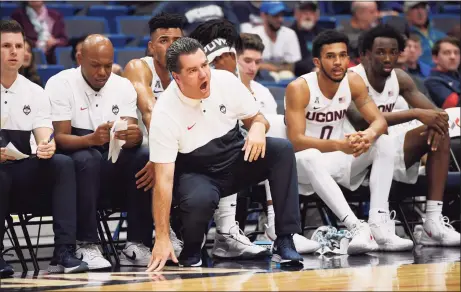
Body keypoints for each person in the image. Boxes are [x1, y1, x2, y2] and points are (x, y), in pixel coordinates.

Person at [147, 37, 304, 271]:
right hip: (197, 171)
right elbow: (163, 181)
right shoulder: (164, 113)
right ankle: (191, 247)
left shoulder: (224, 80)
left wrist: (259, 128)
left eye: (204, 65)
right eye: (193, 70)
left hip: (235, 156)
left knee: (281, 150)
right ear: (177, 77)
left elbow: (256, 118)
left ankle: (284, 238)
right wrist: (161, 237)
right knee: (198, 199)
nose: (203, 75)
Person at [285, 29, 413, 253]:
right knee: (310, 156)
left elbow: (379, 122)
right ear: (317, 61)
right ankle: (355, 226)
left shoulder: (353, 81)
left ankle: (379, 223)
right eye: (330, 56)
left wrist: (368, 136)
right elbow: (296, 141)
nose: (338, 62)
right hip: (303, 169)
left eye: (343, 55)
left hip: (339, 159)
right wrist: (339, 145)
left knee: (383, 141)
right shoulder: (299, 88)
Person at [46, 35, 155, 269]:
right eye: (95, 65)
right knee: (88, 158)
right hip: (76, 157)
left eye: (107, 65)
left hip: (111, 155)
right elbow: (60, 139)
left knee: (144, 156)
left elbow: (128, 131)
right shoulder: (60, 83)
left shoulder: (122, 85)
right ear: (79, 58)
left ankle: (137, 244)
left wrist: (134, 138)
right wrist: (90, 139)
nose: (103, 72)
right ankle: (87, 244)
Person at [348, 24, 460, 247]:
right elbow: (362, 120)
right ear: (365, 54)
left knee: (439, 129)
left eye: (393, 52)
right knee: (391, 138)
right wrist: (416, 113)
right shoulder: (352, 79)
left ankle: (432, 221)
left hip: (393, 149)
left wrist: (437, 123)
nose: (387, 58)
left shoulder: (401, 78)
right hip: (358, 154)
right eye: (380, 52)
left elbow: (438, 114)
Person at [0, 20, 87, 277]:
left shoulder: (34, 91)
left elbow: (44, 131)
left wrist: (46, 145)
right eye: (6, 46)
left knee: (62, 163)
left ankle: (64, 251)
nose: (14, 52)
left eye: (18, 46)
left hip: (22, 169)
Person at [123, 13, 184, 256]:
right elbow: (149, 110)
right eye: (164, 40)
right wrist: (162, 152)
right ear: (151, 46)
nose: (171, 46)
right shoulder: (139, 67)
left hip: (177, 144)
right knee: (148, 157)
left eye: (176, 41)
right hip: (143, 145)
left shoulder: (188, 71)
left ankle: (215, 232)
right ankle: (136, 241)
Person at [248, 1, 301, 80]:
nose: (280, 19)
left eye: (281, 15)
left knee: (287, 75)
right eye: (275, 16)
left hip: (284, 76)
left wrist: (269, 67)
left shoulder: (290, 34)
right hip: (260, 77)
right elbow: (249, 64)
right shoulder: (252, 35)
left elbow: (292, 66)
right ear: (263, 16)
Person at [237, 33, 278, 115]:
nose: (253, 68)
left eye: (257, 62)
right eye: (247, 61)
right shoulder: (221, 92)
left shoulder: (264, 92)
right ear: (234, 58)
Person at [404, 1, 446, 67]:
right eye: (415, 8)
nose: (420, 12)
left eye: (423, 8)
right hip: (420, 74)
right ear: (407, 14)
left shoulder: (441, 35)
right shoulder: (405, 37)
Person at [424, 37, 460, 109]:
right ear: (435, 58)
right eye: (447, 53)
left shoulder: (457, 75)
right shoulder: (432, 81)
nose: (453, 57)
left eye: (456, 53)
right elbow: (453, 105)